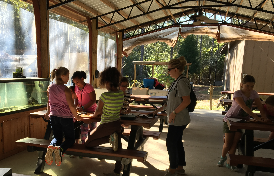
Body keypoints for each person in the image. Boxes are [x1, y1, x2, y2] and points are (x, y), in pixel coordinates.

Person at [217, 75, 267, 171]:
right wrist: (256, 116)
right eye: (247, 86)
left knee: (235, 142)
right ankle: (222, 158)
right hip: (230, 119)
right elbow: (244, 106)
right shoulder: (237, 93)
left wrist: (263, 116)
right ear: (242, 85)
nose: (249, 88)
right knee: (228, 143)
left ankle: (230, 161)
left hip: (243, 121)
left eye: (252, 86)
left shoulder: (254, 93)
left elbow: (260, 105)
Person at [153, 56, 191, 176]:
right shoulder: (177, 81)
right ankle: (180, 167)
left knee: (171, 142)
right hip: (176, 118)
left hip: (178, 119)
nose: (168, 72)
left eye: (169, 69)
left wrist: (174, 113)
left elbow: (186, 101)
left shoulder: (181, 82)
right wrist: (161, 108)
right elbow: (173, 100)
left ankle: (172, 169)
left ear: (175, 69)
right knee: (177, 142)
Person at [85, 67, 124, 175]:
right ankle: (118, 168)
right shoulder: (121, 94)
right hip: (117, 124)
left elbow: (97, 111)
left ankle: (110, 138)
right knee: (118, 147)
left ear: (107, 82)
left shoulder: (104, 96)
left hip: (106, 124)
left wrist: (93, 115)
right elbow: (118, 109)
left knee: (88, 143)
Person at [44, 67, 81, 166]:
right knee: (70, 139)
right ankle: (60, 150)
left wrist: (48, 112)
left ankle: (51, 146)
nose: (68, 79)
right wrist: (77, 116)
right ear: (62, 76)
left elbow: (49, 102)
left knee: (57, 137)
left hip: (54, 116)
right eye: (67, 76)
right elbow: (71, 105)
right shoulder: (65, 89)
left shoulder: (50, 87)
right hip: (65, 117)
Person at [72, 71, 97, 144]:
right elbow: (76, 98)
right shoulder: (76, 88)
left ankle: (92, 143)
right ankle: (84, 144)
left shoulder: (89, 87)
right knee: (84, 128)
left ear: (82, 79)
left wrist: (83, 107)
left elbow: (93, 100)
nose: (76, 84)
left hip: (92, 111)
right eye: (75, 83)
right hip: (82, 112)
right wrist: (76, 106)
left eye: (77, 82)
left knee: (93, 129)